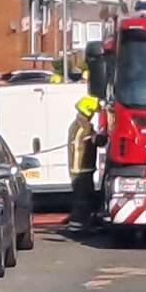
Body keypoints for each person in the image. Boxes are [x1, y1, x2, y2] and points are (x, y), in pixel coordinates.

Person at [66, 94, 101, 232]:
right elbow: (96, 140)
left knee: (88, 198)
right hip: (81, 170)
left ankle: (84, 225)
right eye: (93, 112)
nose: (93, 115)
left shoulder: (79, 125)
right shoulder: (83, 127)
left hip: (83, 170)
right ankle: (76, 227)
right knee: (82, 201)